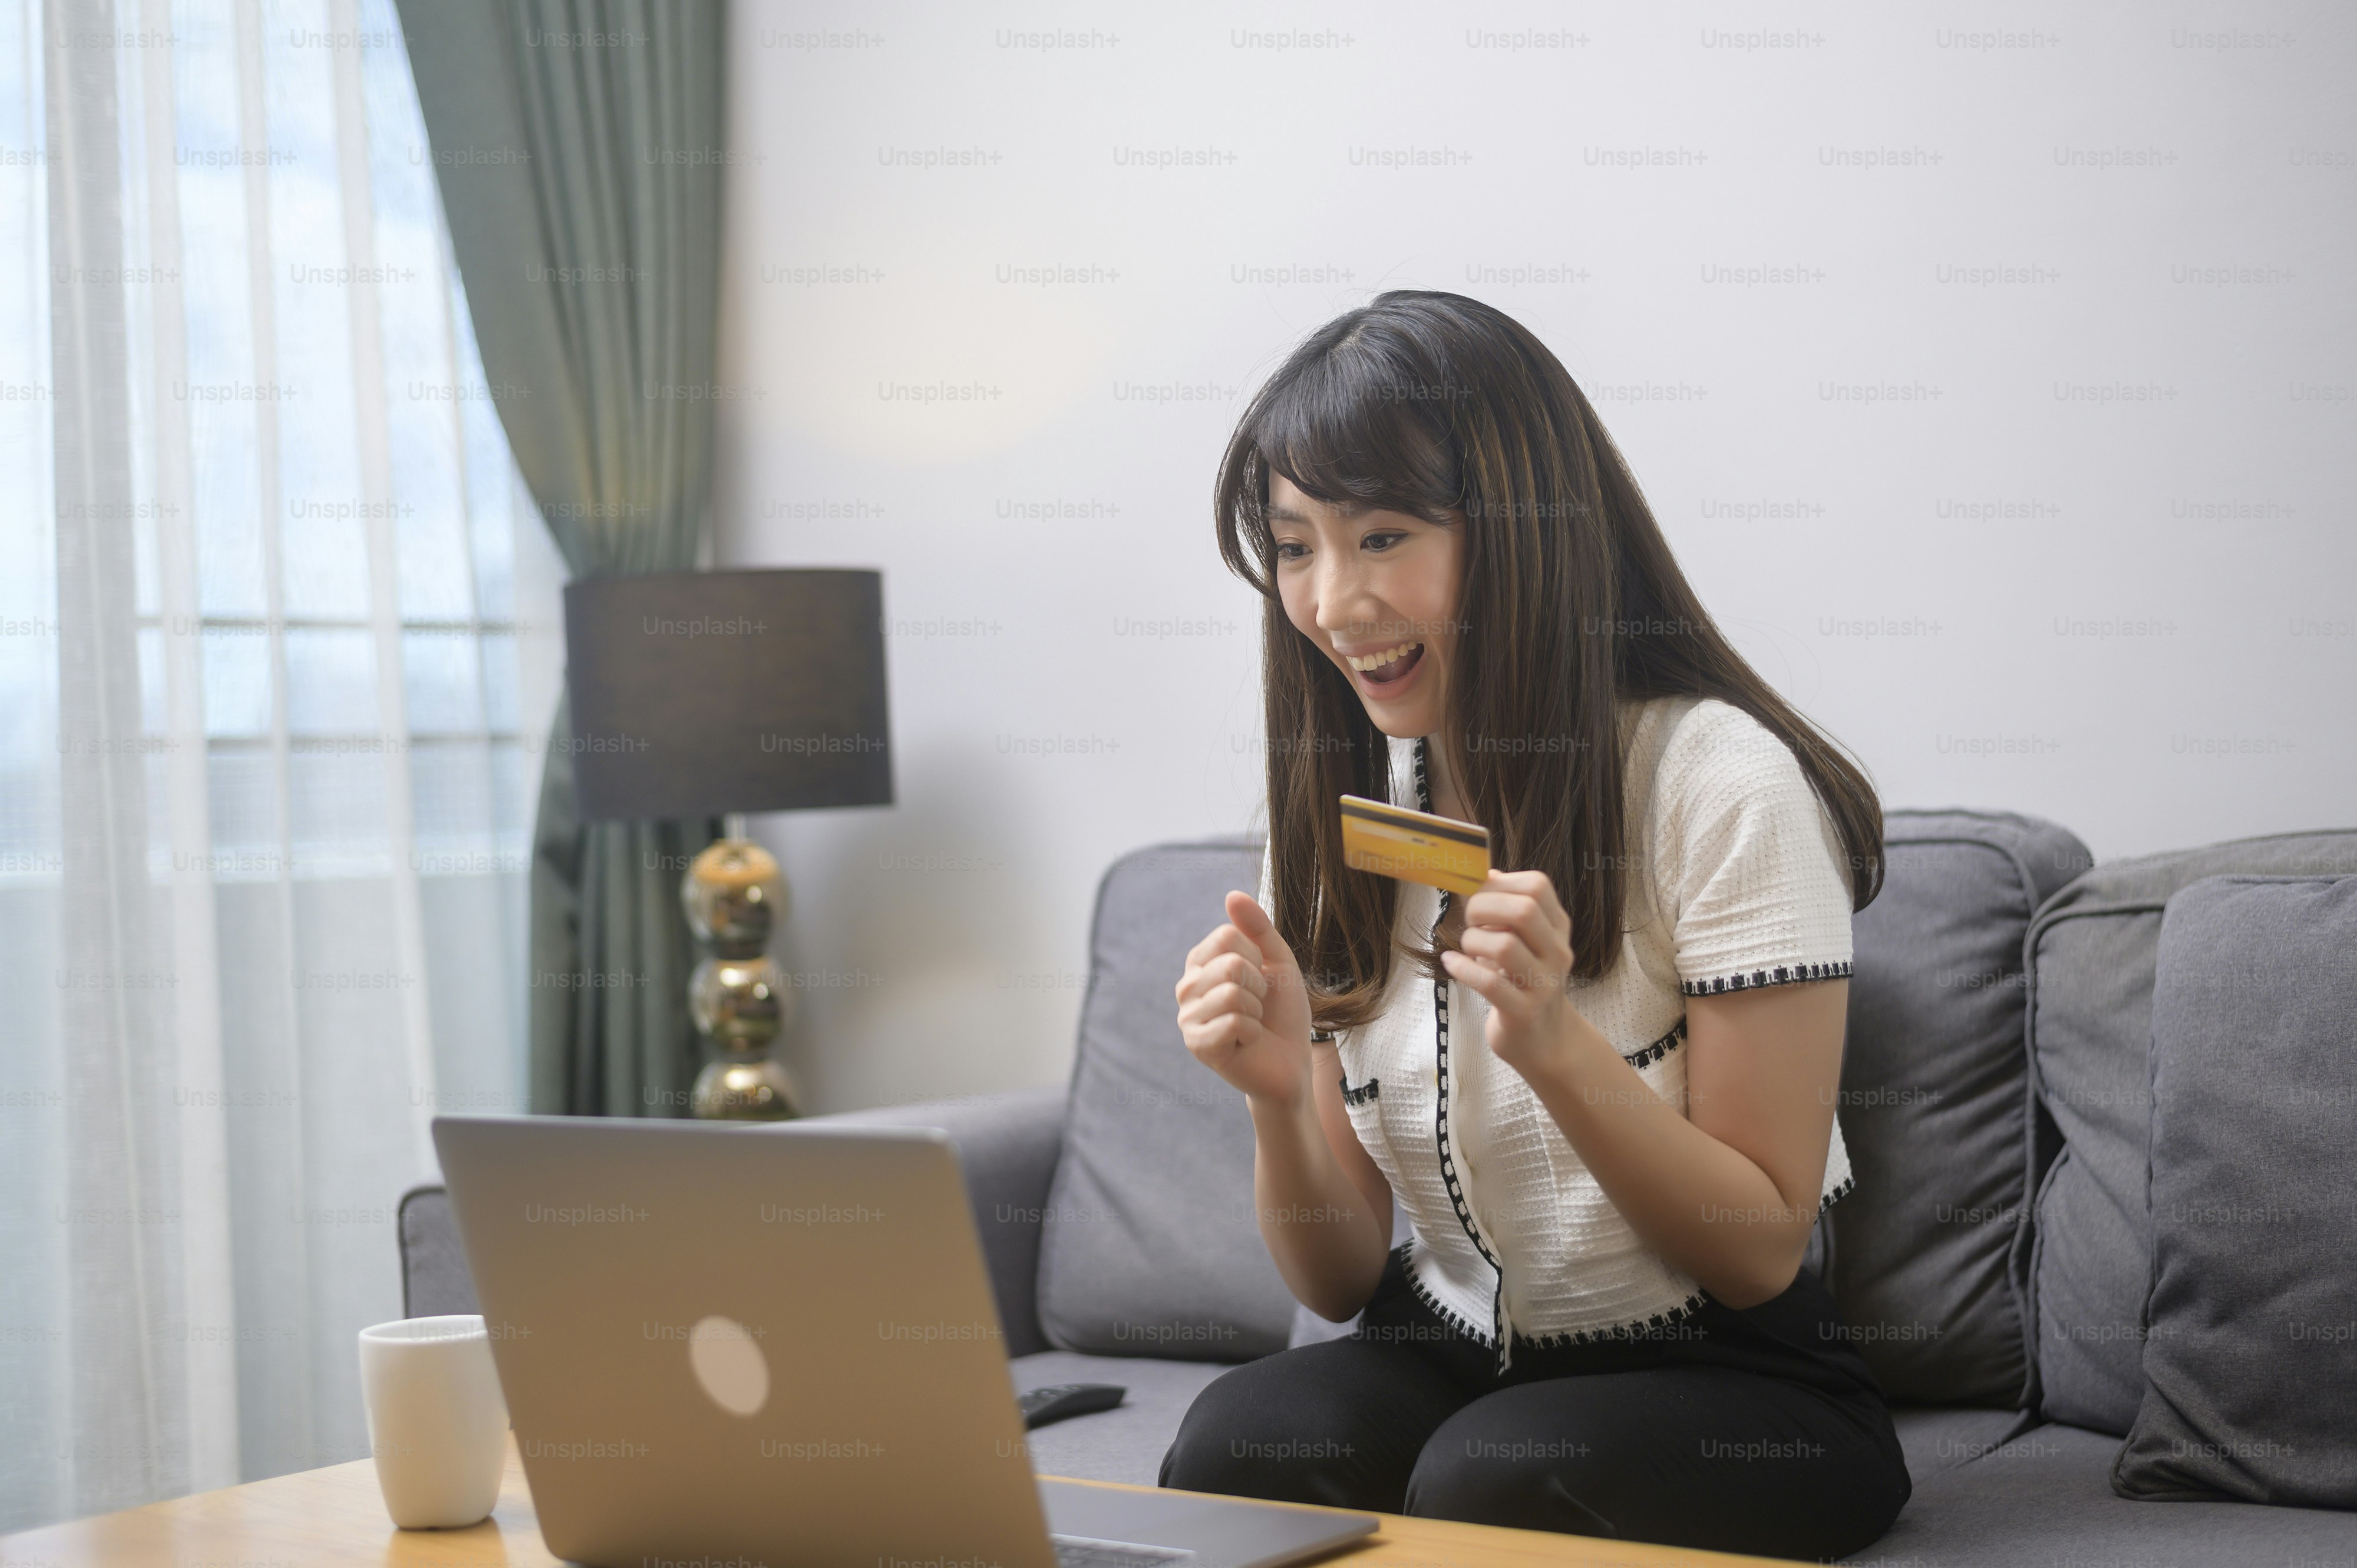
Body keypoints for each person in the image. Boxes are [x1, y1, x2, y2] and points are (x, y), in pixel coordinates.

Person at [1163, 292, 1911, 1561]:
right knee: (1239, 1440)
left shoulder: (1714, 782)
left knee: (1490, 1479)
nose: (1333, 601)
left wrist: (1558, 1047)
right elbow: (1337, 1281)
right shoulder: (1337, 814)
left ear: (1521, 530)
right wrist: (1279, 1094)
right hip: (1451, 1345)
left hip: (1738, 1375)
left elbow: (1756, 1250)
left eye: (1382, 533)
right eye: (1295, 546)